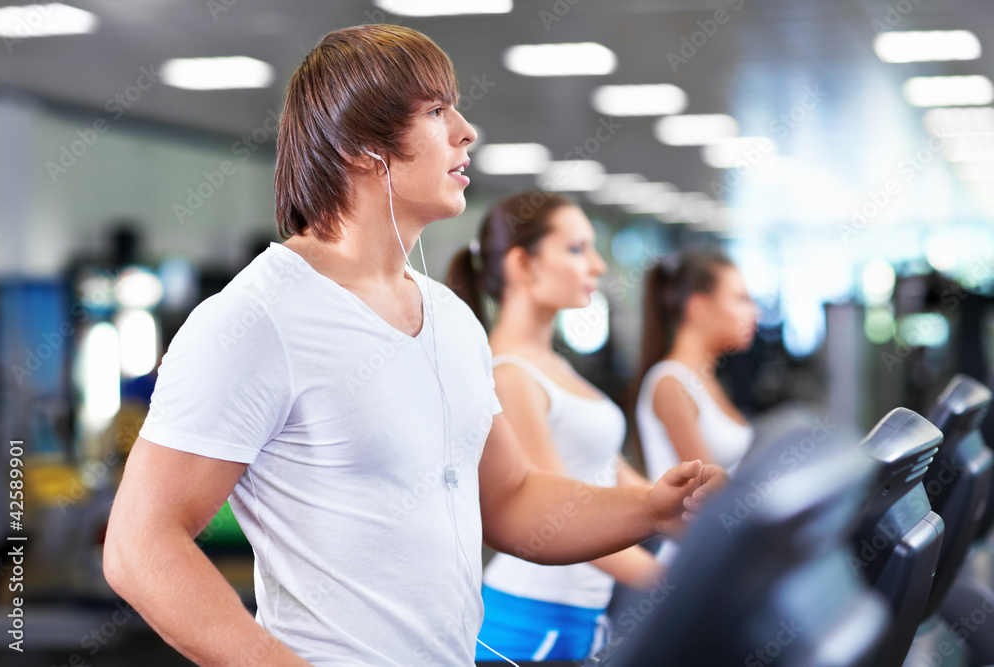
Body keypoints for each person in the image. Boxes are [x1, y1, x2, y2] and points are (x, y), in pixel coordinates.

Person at [102, 25, 726, 667]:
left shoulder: (452, 318)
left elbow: (512, 501)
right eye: (435, 112)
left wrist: (652, 507)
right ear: (360, 147)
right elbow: (139, 545)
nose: (466, 130)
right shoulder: (256, 320)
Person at [446, 192, 662, 662]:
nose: (598, 266)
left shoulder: (551, 364)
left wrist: (697, 519)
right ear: (524, 265)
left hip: (578, 614)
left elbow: (608, 474)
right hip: (530, 620)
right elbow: (561, 515)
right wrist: (673, 586)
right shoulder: (509, 373)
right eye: (577, 249)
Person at [633, 248, 756, 567]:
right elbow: (710, 494)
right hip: (693, 563)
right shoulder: (671, 384)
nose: (752, 312)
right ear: (700, 307)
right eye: (741, 299)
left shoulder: (707, 381)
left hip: (727, 554)